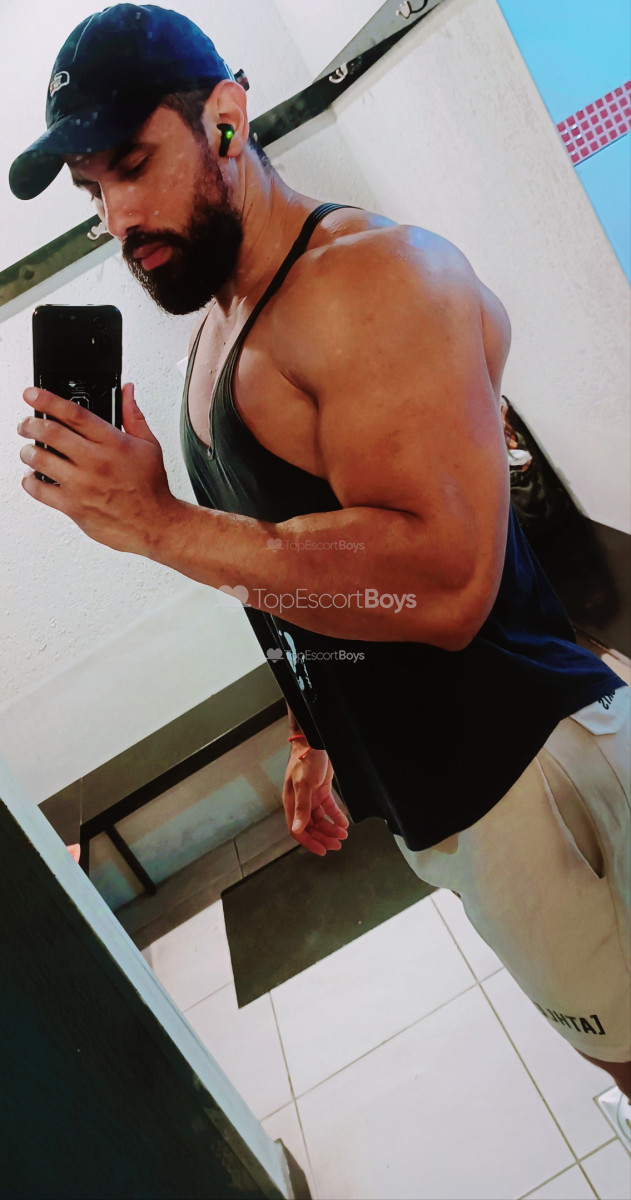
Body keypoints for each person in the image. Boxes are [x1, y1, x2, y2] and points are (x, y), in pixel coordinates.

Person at [11, 5, 630, 1103]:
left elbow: (444, 583)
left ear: (226, 119)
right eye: (92, 192)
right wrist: (312, 730)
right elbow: (285, 556)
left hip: (528, 767)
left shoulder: (369, 282)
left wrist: (159, 525)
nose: (117, 217)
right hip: (443, 789)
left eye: (134, 166)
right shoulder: (221, 331)